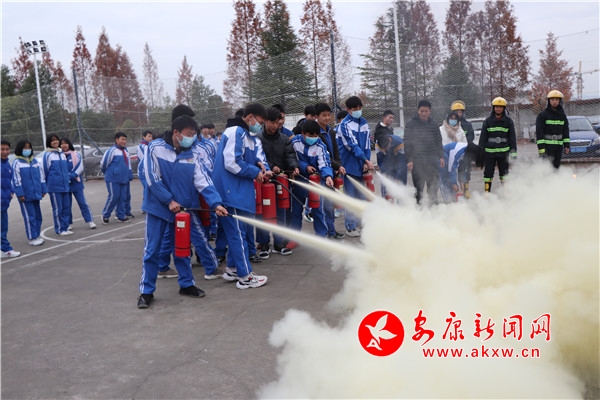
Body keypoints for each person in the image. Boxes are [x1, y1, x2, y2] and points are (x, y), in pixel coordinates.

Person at [138, 115, 228, 308]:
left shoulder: (192, 153)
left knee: (182, 249)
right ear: (176, 132)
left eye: (194, 134)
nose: (191, 138)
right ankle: (146, 291)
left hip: (182, 211)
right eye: (188, 134)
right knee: (152, 250)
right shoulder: (155, 148)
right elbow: (152, 178)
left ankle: (187, 284)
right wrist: (168, 200)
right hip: (158, 209)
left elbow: (202, 180)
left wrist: (216, 203)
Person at [212, 102, 271, 290]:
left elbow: (250, 157)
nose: (260, 126)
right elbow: (231, 162)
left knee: (239, 233)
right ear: (250, 117)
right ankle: (245, 276)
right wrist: (254, 171)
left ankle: (232, 269)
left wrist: (260, 164)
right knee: (238, 236)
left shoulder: (248, 136)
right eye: (259, 122)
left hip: (240, 192)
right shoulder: (235, 132)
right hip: (231, 193)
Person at [255, 107, 299, 256]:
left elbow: (290, 155)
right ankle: (263, 243)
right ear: (265, 121)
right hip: (263, 182)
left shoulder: (284, 140)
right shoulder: (257, 139)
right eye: (272, 122)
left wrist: (293, 167)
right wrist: (271, 166)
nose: (275, 126)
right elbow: (258, 158)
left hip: (280, 182)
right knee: (263, 213)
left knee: (281, 212)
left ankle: (279, 243)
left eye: (277, 122)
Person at [289, 120, 334, 237]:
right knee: (296, 211)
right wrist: (305, 166)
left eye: (316, 136)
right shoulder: (295, 142)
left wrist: (328, 176)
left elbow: (324, 163)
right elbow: (291, 158)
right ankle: (294, 238)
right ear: (303, 133)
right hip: (299, 181)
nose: (313, 138)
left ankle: (321, 236)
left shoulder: (320, 146)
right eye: (310, 136)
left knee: (318, 211)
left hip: (315, 183)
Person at [336, 95, 373, 236]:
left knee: (361, 196)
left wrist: (366, 160)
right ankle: (350, 226)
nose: (357, 110)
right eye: (354, 108)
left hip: (361, 165)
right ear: (348, 109)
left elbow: (367, 144)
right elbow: (351, 145)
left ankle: (359, 223)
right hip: (349, 166)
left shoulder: (364, 123)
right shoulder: (344, 125)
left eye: (359, 108)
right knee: (350, 197)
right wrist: (365, 160)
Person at [403, 99, 445, 205]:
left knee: (433, 188)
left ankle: (433, 209)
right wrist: (409, 159)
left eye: (426, 111)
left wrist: (441, 156)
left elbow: (438, 141)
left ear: (430, 111)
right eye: (422, 111)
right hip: (417, 161)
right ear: (418, 111)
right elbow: (407, 143)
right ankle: (419, 209)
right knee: (418, 189)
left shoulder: (434, 124)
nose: (424, 113)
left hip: (431, 160)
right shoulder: (411, 124)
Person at [314, 102, 346, 240]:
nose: (327, 118)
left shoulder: (330, 131)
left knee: (330, 203)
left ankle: (331, 231)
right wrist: (337, 166)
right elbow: (324, 155)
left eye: (329, 115)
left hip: (332, 171)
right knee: (324, 205)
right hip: (321, 172)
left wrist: (338, 165)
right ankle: (325, 233)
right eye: (324, 115)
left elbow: (335, 151)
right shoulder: (315, 133)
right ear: (317, 116)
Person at [12, 140, 46, 247]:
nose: (27, 150)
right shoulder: (17, 163)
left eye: (29, 147)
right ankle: (32, 238)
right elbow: (16, 180)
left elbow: (41, 176)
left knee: (38, 216)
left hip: (35, 194)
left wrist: (43, 189)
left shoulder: (35, 161)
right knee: (29, 217)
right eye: (25, 148)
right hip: (25, 196)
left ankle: (37, 235)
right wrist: (20, 194)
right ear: (20, 149)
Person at [479, 97, 517, 193]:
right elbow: (483, 138)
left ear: (504, 108)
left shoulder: (508, 121)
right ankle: (487, 193)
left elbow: (512, 137)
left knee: (504, 173)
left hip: (503, 152)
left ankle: (505, 191)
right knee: (488, 173)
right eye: (496, 107)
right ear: (493, 108)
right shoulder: (487, 121)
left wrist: (513, 152)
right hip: (489, 153)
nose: (498, 109)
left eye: (500, 107)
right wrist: (480, 153)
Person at [60, 138, 96, 229]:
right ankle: (68, 223)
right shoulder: (59, 156)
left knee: (82, 203)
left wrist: (73, 175)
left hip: (76, 183)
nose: (64, 145)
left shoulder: (76, 154)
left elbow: (80, 166)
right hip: (65, 184)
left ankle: (90, 221)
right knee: (67, 205)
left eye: (66, 143)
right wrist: (66, 177)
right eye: (62, 144)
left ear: (69, 144)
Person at [42, 134, 72, 235]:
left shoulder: (62, 154)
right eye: (52, 140)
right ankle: (59, 229)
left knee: (66, 208)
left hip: (65, 186)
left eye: (56, 140)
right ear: (49, 143)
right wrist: (47, 184)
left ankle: (65, 227)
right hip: (54, 187)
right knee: (58, 209)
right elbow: (45, 171)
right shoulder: (48, 155)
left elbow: (65, 170)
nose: (55, 142)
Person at [100, 132, 133, 224]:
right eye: (122, 139)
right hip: (113, 179)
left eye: (125, 140)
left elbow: (128, 165)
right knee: (114, 197)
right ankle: (105, 215)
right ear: (117, 139)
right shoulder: (112, 151)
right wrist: (110, 173)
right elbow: (104, 164)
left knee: (123, 197)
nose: (124, 141)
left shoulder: (125, 151)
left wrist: (129, 174)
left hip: (124, 178)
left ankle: (120, 216)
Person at [535, 90, 570, 169]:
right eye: (552, 99)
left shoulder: (562, 115)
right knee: (547, 169)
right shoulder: (542, 115)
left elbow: (565, 130)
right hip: (547, 148)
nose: (554, 101)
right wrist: (541, 148)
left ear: (560, 101)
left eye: (557, 100)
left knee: (556, 168)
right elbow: (539, 133)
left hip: (558, 147)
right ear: (549, 101)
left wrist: (567, 145)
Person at [450, 100, 475, 198]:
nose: (458, 114)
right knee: (452, 171)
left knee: (465, 170)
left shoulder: (467, 125)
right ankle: (455, 191)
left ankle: (466, 190)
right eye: (456, 112)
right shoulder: (449, 123)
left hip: (464, 151)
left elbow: (471, 136)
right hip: (453, 152)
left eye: (460, 112)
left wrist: (463, 144)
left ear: (463, 113)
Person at [1, 139, 21, 258]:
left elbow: (9, 181)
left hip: (4, 201)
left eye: (7, 149)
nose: (5, 151)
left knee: (3, 226)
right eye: (2, 149)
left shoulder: (7, 164)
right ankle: (6, 249)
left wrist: (11, 191)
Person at [137, 129, 154, 212]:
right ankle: (145, 207)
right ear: (144, 137)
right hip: (143, 171)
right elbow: (144, 158)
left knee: (148, 188)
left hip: (148, 170)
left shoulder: (150, 146)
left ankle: (146, 206)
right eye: (149, 136)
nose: (150, 138)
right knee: (147, 188)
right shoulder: (142, 146)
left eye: (151, 137)